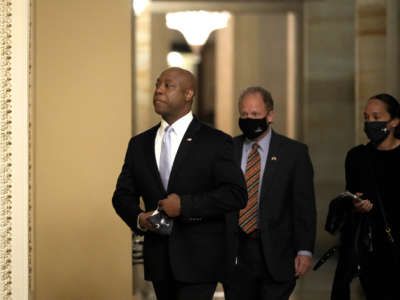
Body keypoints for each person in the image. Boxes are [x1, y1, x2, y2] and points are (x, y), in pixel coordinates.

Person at [112, 67, 247, 300]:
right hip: (159, 262)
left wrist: (185, 205)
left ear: (188, 94)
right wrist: (139, 218)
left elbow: (235, 194)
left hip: (200, 262)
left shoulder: (215, 142)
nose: (159, 91)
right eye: (157, 85)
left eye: (168, 85)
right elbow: (122, 195)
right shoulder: (139, 144)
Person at [223, 87, 317, 300]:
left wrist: (304, 250)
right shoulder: (228, 149)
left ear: (270, 115)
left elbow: (304, 205)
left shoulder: (294, 153)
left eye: (255, 114)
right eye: (244, 114)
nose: (249, 119)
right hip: (236, 253)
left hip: (277, 253)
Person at [330, 93, 400, 300]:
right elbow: (351, 191)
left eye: (376, 118)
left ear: (394, 121)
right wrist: (355, 202)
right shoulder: (357, 156)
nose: (370, 123)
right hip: (369, 246)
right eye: (366, 118)